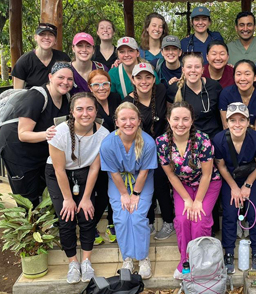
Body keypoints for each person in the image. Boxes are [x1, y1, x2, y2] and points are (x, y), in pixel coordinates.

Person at [45, 92, 109, 284]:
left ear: (96, 110)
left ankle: (86, 261)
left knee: (87, 214)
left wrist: (86, 197)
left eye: (90, 108)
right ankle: (73, 262)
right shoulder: (60, 132)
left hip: (86, 173)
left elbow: (95, 167)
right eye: (79, 109)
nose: (85, 113)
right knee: (67, 216)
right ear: (72, 112)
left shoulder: (103, 134)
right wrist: (68, 198)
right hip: (60, 175)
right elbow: (58, 170)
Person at [156, 101, 222, 279]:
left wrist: (198, 201)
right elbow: (171, 176)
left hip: (207, 185)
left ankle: (201, 262)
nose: (180, 123)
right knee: (183, 219)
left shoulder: (202, 140)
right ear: (169, 120)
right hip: (182, 186)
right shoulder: (162, 143)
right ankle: (185, 260)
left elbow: (207, 175)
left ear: (192, 121)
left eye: (185, 119)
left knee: (199, 219)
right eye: (176, 119)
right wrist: (187, 199)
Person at [0, 62, 74, 208]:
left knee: (44, 191)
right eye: (61, 77)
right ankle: (29, 227)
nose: (65, 82)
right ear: (50, 77)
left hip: (40, 152)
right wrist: (47, 134)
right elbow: (23, 134)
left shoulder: (66, 98)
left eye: (70, 79)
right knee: (27, 196)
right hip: (17, 150)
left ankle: (43, 225)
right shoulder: (37, 96)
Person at [100, 102, 158, 279]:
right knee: (121, 216)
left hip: (141, 181)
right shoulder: (108, 143)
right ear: (116, 122)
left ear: (139, 120)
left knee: (138, 215)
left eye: (132, 118)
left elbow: (144, 172)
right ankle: (127, 258)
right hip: (118, 182)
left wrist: (136, 195)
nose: (128, 123)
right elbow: (113, 172)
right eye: (123, 119)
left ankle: (142, 257)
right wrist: (125, 195)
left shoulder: (147, 142)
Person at [213, 102, 256, 273]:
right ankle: (228, 252)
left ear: (248, 121)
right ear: (227, 122)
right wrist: (235, 188)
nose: (237, 124)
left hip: (252, 176)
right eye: (233, 120)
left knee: (254, 211)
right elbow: (221, 166)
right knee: (229, 211)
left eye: (241, 120)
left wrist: (248, 185)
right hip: (231, 177)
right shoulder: (219, 139)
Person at [124, 63, 175, 240]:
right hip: (140, 149)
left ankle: (169, 221)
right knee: (145, 184)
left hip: (162, 147)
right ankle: (149, 221)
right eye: (139, 77)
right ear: (133, 79)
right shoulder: (128, 102)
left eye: (148, 77)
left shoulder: (161, 90)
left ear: (154, 79)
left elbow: (179, 94)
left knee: (161, 183)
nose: (144, 81)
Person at [87, 69, 122, 245]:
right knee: (101, 193)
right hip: (96, 155)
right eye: (97, 85)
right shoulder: (88, 105)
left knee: (114, 191)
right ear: (90, 87)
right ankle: (90, 226)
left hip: (117, 154)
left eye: (105, 84)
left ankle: (111, 224)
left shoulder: (116, 99)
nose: (102, 88)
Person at [167, 52, 223, 139]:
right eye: (189, 67)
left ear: (202, 70)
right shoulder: (174, 89)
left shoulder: (214, 87)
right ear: (183, 70)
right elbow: (170, 118)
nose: (193, 70)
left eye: (197, 67)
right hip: (186, 139)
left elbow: (221, 115)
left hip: (212, 138)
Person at [12, 23, 70, 89]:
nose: (46, 37)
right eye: (42, 34)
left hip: (59, 98)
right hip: (32, 98)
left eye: (50, 35)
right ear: (35, 37)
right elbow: (17, 93)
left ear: (55, 40)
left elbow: (70, 82)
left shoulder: (63, 58)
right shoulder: (24, 61)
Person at [219, 60, 256, 131]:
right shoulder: (226, 94)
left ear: (255, 77)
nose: (242, 79)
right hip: (230, 136)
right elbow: (226, 126)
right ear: (234, 77)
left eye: (247, 74)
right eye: (239, 74)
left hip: (252, 136)